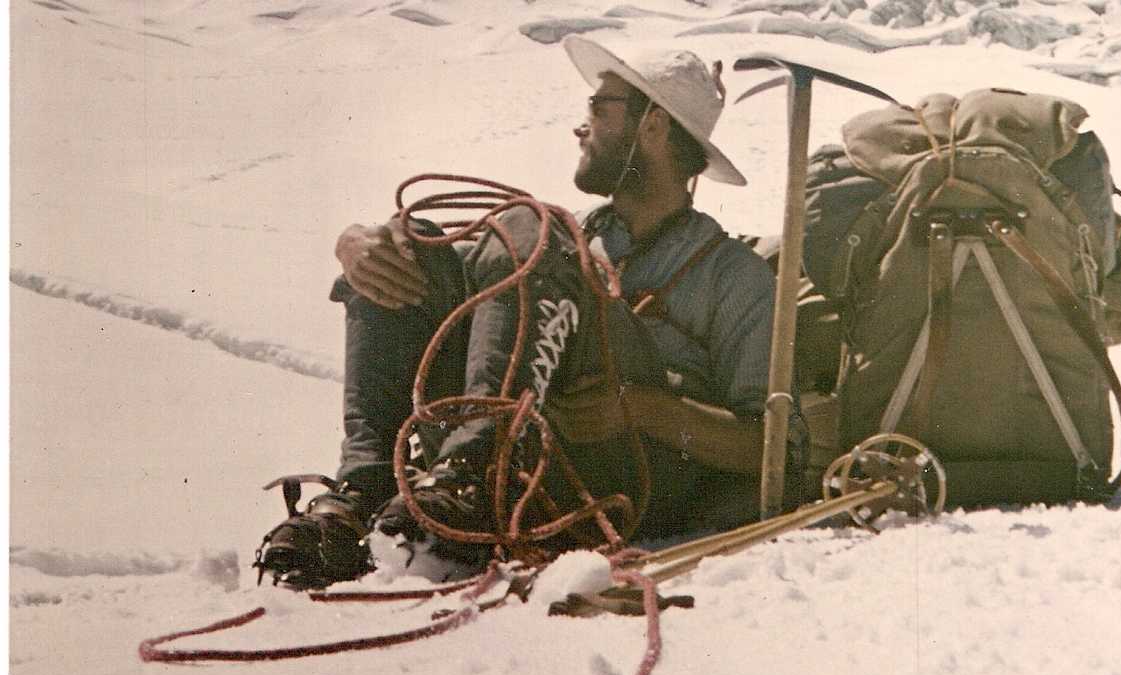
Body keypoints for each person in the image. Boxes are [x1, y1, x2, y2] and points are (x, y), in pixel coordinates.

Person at [254, 36, 803, 590]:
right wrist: (362, 247)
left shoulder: (733, 275)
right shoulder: (570, 241)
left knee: (529, 225)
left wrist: (642, 409)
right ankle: (363, 492)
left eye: (598, 107)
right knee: (417, 245)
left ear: (653, 127)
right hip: (546, 457)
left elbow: (774, 448)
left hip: (631, 476)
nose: (581, 126)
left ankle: (473, 473)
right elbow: (448, 281)